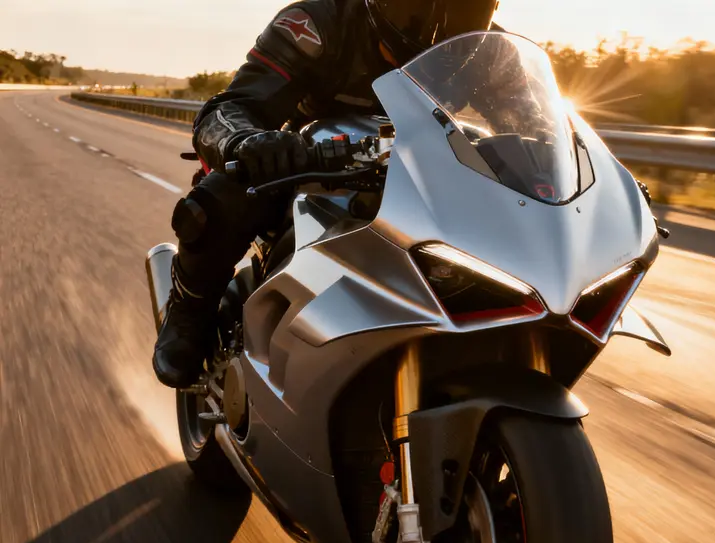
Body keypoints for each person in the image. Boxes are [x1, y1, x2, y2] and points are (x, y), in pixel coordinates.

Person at [153, 0, 504, 388]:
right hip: (308, 169)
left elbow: (543, 128)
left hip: (427, 182)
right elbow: (233, 106)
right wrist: (246, 141)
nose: (442, 19)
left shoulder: (488, 50)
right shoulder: (316, 24)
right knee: (220, 200)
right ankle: (189, 313)